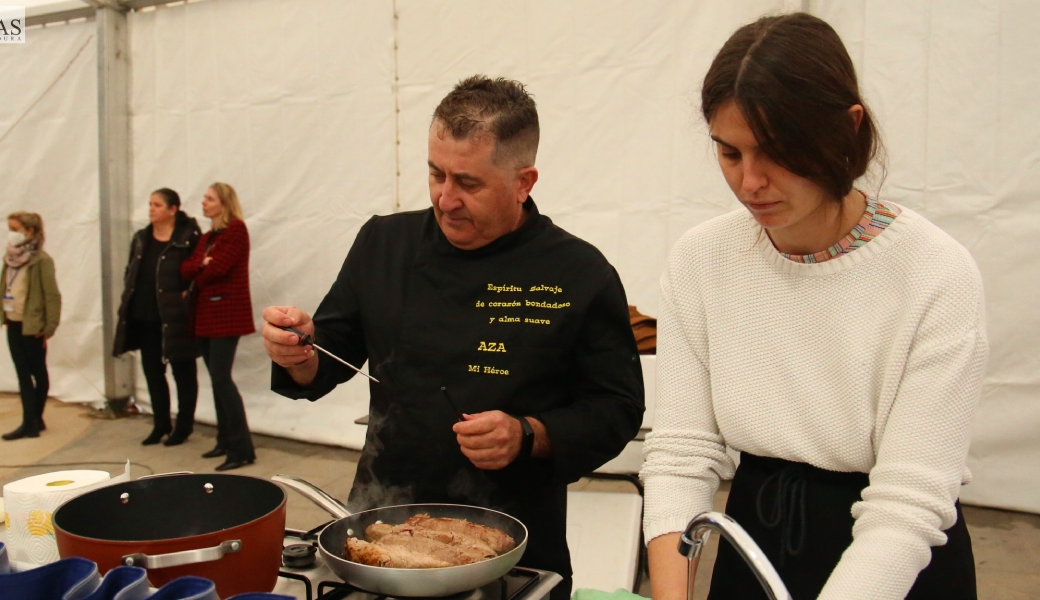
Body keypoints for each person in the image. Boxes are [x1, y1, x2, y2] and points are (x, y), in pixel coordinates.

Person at [641, 13, 987, 600]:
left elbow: (907, 505)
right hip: (756, 536)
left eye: (778, 152)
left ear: (848, 129)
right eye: (729, 153)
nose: (751, 182)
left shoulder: (935, 275)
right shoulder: (703, 260)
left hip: (896, 561)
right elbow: (681, 453)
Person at [262, 75, 645, 599]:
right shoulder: (383, 244)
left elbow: (617, 409)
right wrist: (296, 350)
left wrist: (528, 433)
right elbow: (324, 359)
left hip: (512, 547)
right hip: (381, 533)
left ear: (523, 181)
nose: (445, 199)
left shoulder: (580, 272)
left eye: (468, 183)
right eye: (434, 174)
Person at [113, 188, 203, 446]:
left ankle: (183, 427)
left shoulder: (187, 237)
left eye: (157, 205)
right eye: (150, 204)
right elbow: (130, 270)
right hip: (145, 318)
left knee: (183, 373)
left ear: (173, 209)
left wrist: (186, 296)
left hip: (175, 319)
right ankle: (160, 423)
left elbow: (195, 274)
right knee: (153, 372)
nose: (151, 209)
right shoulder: (141, 237)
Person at [180, 182, 257, 471]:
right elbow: (186, 268)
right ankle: (225, 439)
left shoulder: (236, 230)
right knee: (216, 379)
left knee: (222, 379)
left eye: (209, 198)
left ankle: (242, 448)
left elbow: (218, 269)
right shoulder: (210, 236)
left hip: (227, 316)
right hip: (206, 317)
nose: (203, 202)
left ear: (223, 203)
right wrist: (202, 264)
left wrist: (201, 269)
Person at [0, 212, 61, 440]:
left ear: (29, 231)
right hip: (13, 322)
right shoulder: (10, 258)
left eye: (15, 228)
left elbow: (52, 296)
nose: (11, 234)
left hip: (33, 326)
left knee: (38, 373)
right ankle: (29, 420)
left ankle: (35, 418)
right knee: (22, 374)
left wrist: (49, 327)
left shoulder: (41, 261)